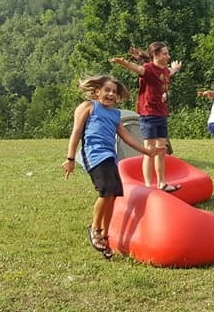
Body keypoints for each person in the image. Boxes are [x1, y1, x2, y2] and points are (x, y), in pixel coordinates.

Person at [62, 75, 160, 259]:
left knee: (114, 195)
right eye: (107, 90)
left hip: (110, 157)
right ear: (97, 91)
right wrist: (70, 158)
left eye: (114, 92)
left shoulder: (116, 115)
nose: (110, 94)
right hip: (95, 155)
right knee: (106, 192)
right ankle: (95, 229)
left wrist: (147, 152)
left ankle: (105, 236)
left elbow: (127, 137)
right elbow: (76, 132)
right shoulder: (88, 107)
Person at [110, 42, 181, 192]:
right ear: (155, 55)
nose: (168, 56)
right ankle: (148, 186)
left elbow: (169, 72)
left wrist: (175, 68)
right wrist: (123, 63)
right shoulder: (148, 69)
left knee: (161, 150)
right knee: (149, 151)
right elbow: (137, 68)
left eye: (168, 54)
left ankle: (162, 183)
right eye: (164, 54)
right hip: (148, 114)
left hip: (161, 113)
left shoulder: (165, 71)